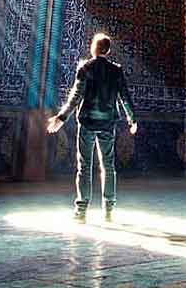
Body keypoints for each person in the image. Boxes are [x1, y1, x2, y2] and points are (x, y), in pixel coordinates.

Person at [46, 33, 137, 223]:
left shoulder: (85, 68)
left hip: (87, 123)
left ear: (94, 48)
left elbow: (75, 97)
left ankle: (81, 211)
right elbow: (125, 97)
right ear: (108, 50)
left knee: (84, 166)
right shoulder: (116, 70)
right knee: (108, 166)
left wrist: (62, 117)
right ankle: (109, 210)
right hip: (107, 123)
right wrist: (132, 119)